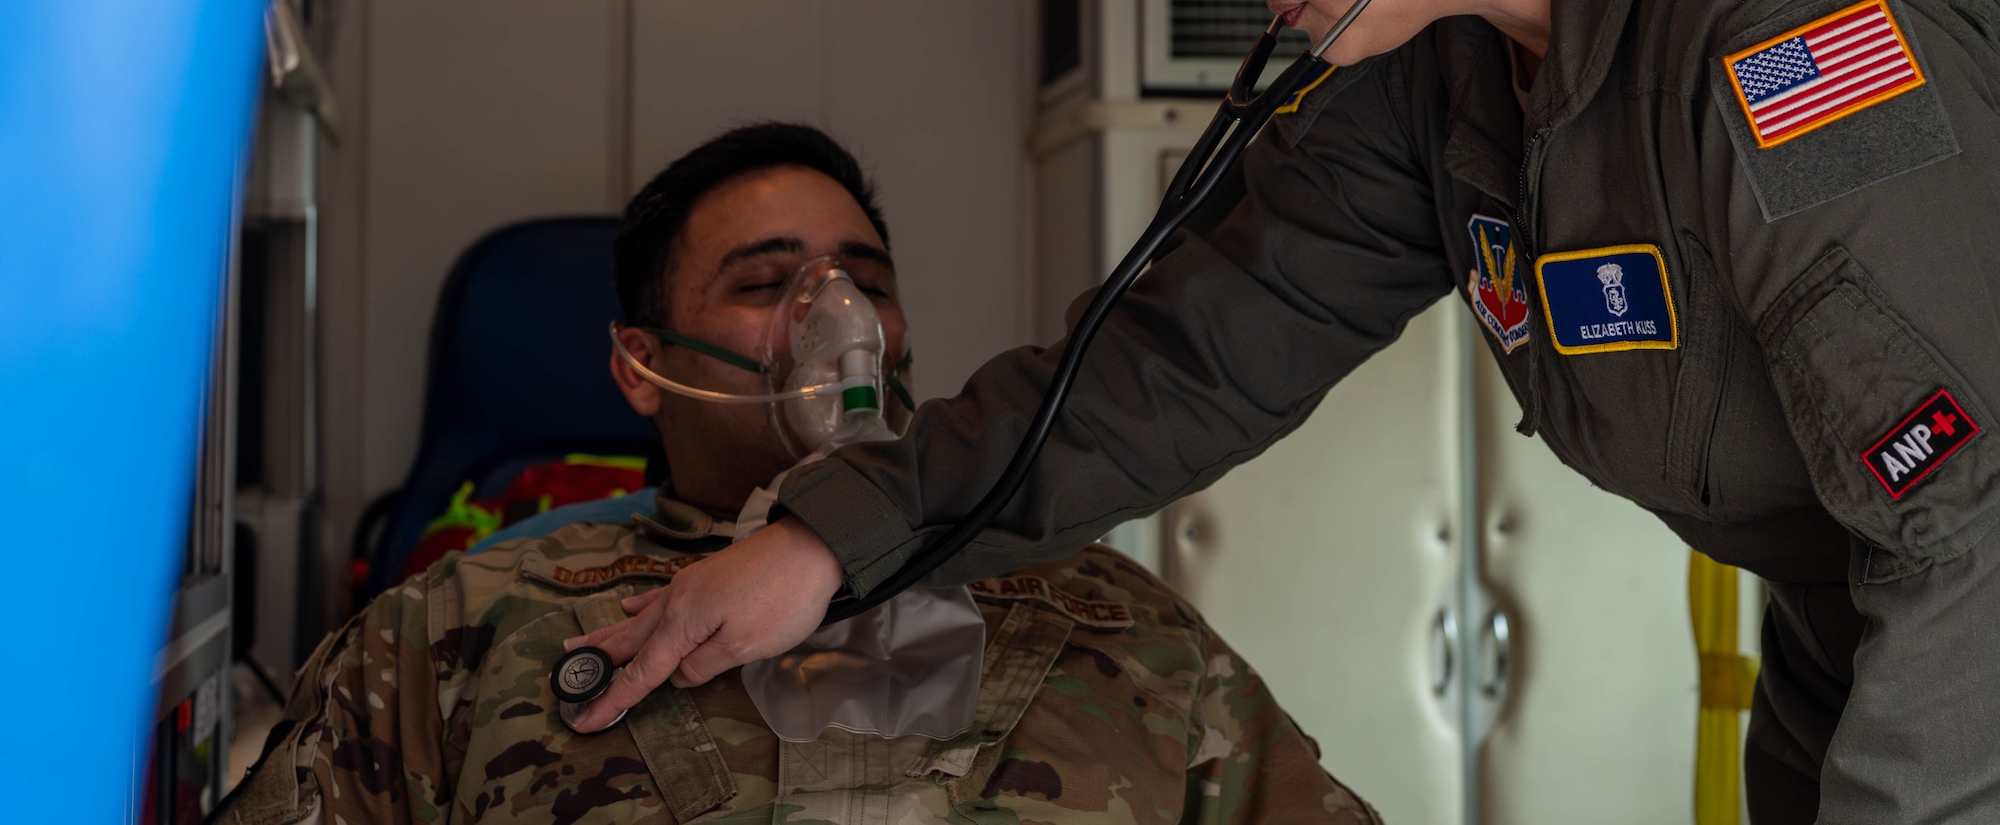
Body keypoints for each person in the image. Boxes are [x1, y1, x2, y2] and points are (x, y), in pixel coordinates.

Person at [564, 0, 2000, 823]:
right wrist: (831, 537)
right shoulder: (1446, 76)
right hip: (1866, 631)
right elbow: (1175, 361)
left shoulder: (1798, 32)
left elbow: (1980, 535)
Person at [214, 123, 1381, 825]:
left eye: (861, 277)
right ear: (640, 363)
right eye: (766, 282)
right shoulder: (455, 632)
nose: (837, 318)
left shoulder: (1118, 622)